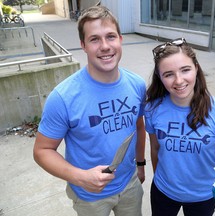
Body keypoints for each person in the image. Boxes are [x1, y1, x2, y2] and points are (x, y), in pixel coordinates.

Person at [33, 5, 146, 216]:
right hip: (89, 196)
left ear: (120, 39)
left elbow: (138, 126)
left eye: (110, 36)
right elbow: (42, 151)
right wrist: (80, 177)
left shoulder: (137, 85)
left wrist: (140, 164)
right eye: (94, 39)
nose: (105, 46)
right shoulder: (63, 97)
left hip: (129, 184)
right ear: (83, 45)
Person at [144, 38, 215, 216]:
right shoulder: (153, 108)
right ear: (160, 78)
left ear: (196, 68)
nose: (179, 80)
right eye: (168, 74)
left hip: (203, 196)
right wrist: (160, 180)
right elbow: (155, 148)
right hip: (163, 191)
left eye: (185, 70)